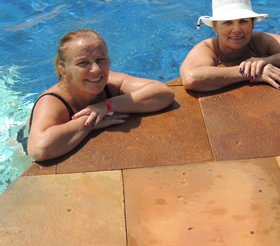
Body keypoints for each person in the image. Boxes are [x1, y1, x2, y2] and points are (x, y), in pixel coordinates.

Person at [26, 29, 175, 161]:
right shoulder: (52, 101)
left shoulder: (111, 83)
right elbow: (38, 150)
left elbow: (163, 93)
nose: (96, 69)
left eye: (100, 60)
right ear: (64, 71)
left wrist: (107, 106)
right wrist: (91, 121)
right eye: (83, 63)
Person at [180, 0, 280, 92]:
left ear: (253, 24)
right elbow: (192, 78)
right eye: (227, 22)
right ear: (215, 27)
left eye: (243, 21)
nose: (236, 29)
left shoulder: (259, 41)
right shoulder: (208, 48)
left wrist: (266, 61)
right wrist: (250, 73)